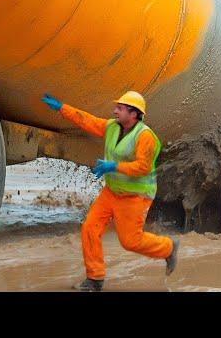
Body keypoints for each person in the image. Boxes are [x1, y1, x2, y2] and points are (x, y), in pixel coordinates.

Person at [42, 90, 179, 292]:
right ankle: (95, 279)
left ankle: (168, 248)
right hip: (112, 192)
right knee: (89, 227)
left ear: (133, 114)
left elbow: (143, 166)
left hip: (135, 196)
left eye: (120, 108)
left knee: (130, 242)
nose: (115, 110)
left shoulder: (145, 137)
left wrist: (112, 166)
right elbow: (87, 121)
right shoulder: (112, 127)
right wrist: (62, 108)